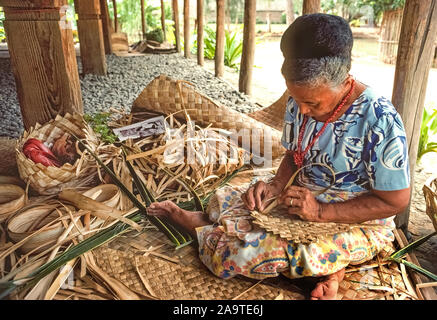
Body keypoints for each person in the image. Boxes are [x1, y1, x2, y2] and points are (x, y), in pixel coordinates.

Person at [147, 13, 411, 300]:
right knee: (223, 198)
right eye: (297, 100)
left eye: (312, 103)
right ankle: (325, 270)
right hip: (303, 198)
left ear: (345, 82)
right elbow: (294, 154)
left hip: (356, 217)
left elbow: (394, 201)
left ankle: (329, 271)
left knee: (240, 253)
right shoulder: (299, 101)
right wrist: (275, 186)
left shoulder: (380, 120)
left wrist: (322, 213)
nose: (303, 111)